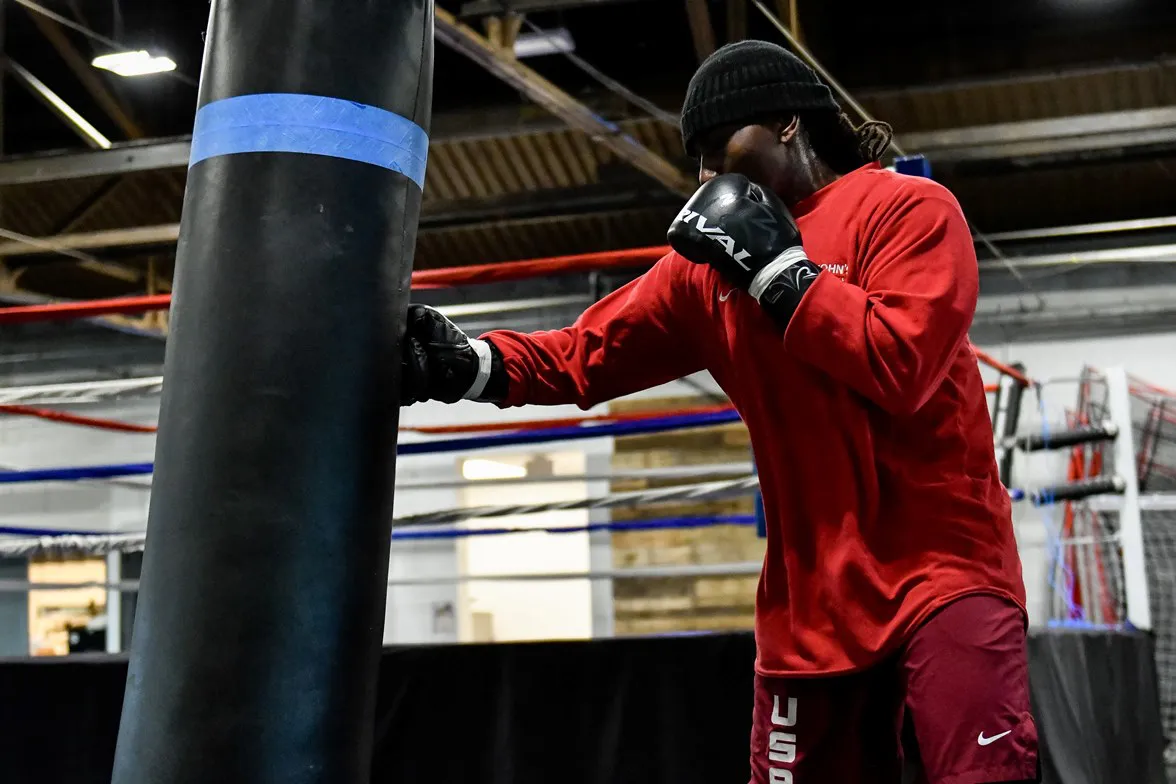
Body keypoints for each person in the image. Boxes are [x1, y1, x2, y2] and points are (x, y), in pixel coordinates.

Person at [400, 39, 1038, 784]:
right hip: (811, 605)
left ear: (788, 124)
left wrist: (780, 272)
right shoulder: (704, 273)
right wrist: (466, 365)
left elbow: (901, 364)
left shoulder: (908, 209)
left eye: (718, 149)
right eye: (697, 159)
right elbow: (583, 354)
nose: (706, 177)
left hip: (945, 572)